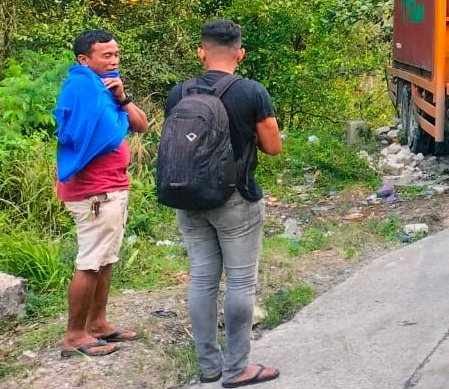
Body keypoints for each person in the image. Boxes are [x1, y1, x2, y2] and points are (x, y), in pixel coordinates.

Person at [165, 20, 282, 388]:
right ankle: (237, 369)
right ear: (240, 54)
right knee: (241, 281)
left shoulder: (178, 93)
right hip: (235, 200)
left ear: (201, 52)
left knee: (202, 279)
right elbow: (273, 147)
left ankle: (209, 367)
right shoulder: (251, 92)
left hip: (187, 198)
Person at [54, 29, 149, 358]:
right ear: (84, 59)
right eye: (106, 55)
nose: (114, 60)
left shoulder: (106, 87)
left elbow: (142, 125)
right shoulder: (83, 88)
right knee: (91, 261)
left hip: (112, 187)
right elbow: (83, 135)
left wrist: (122, 96)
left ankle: (97, 324)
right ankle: (74, 336)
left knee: (105, 259)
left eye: (116, 54)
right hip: (94, 192)